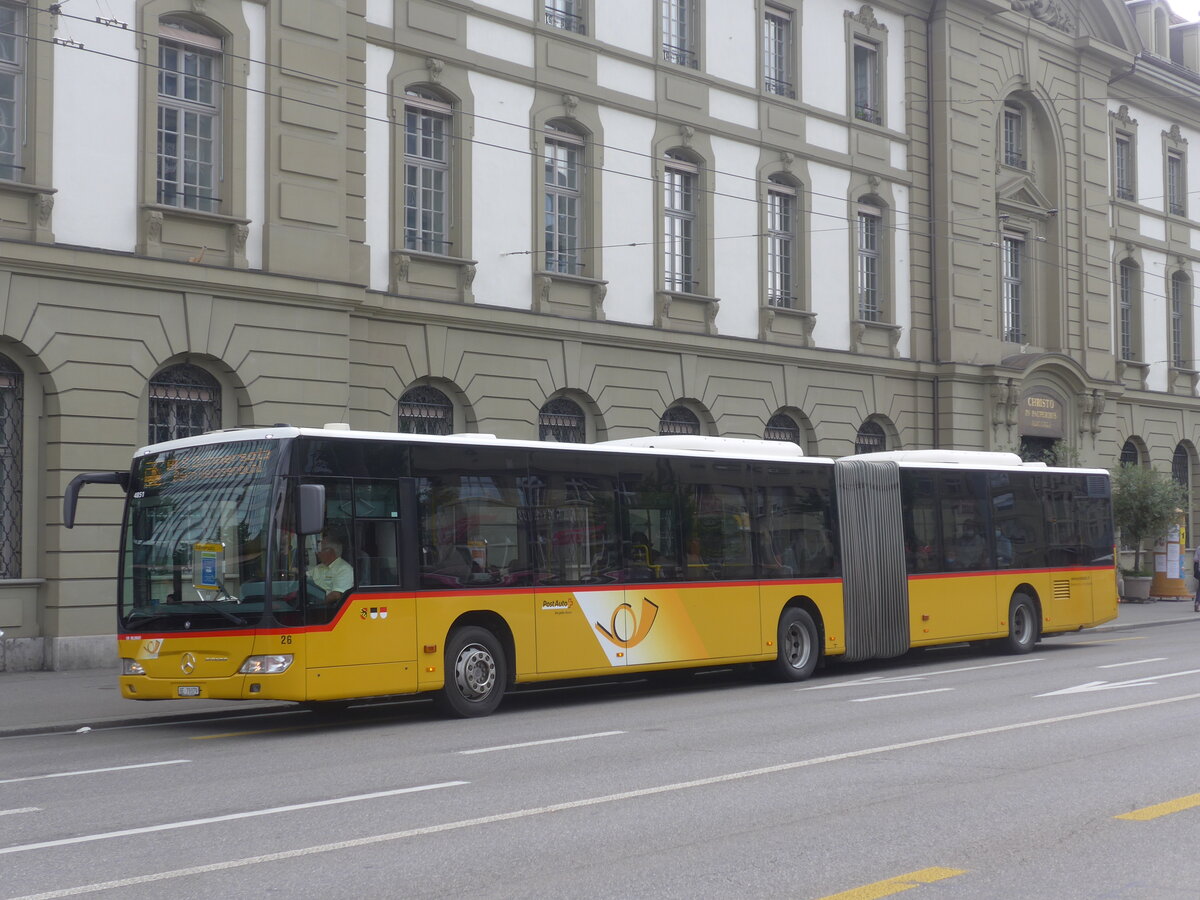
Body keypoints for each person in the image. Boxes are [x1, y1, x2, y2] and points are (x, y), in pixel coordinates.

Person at [312, 536, 354, 604]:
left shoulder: (345, 569)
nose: (317, 553)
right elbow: (306, 579)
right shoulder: (319, 567)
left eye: (320, 550)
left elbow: (336, 595)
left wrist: (317, 604)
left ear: (330, 552)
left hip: (328, 608)